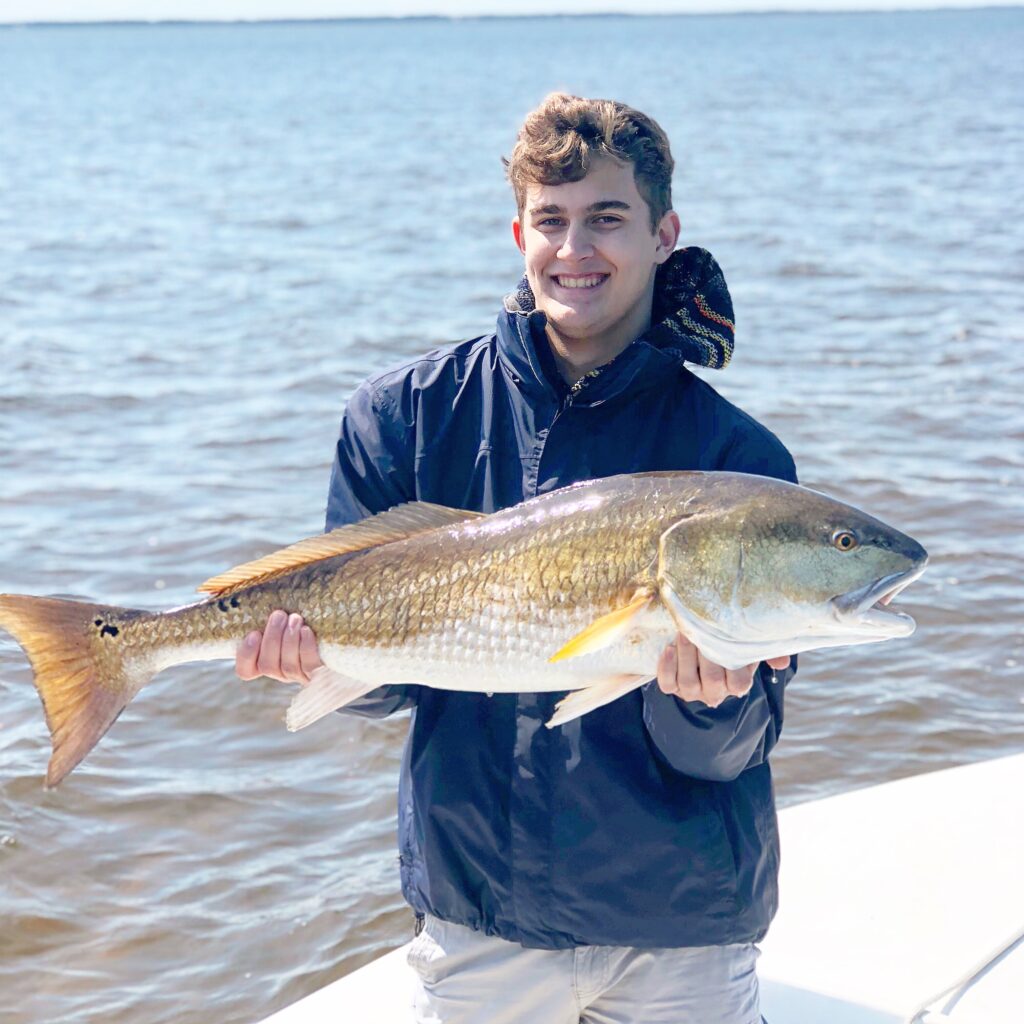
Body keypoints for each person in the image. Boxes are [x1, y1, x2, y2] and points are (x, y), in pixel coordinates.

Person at [237, 93, 796, 1024]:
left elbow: (738, 748)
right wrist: (317, 656)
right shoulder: (406, 415)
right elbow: (393, 688)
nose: (575, 249)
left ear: (664, 234)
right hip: (479, 916)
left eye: (607, 219)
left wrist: (712, 699)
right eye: (553, 221)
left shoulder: (737, 463)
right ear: (518, 232)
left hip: (685, 924)